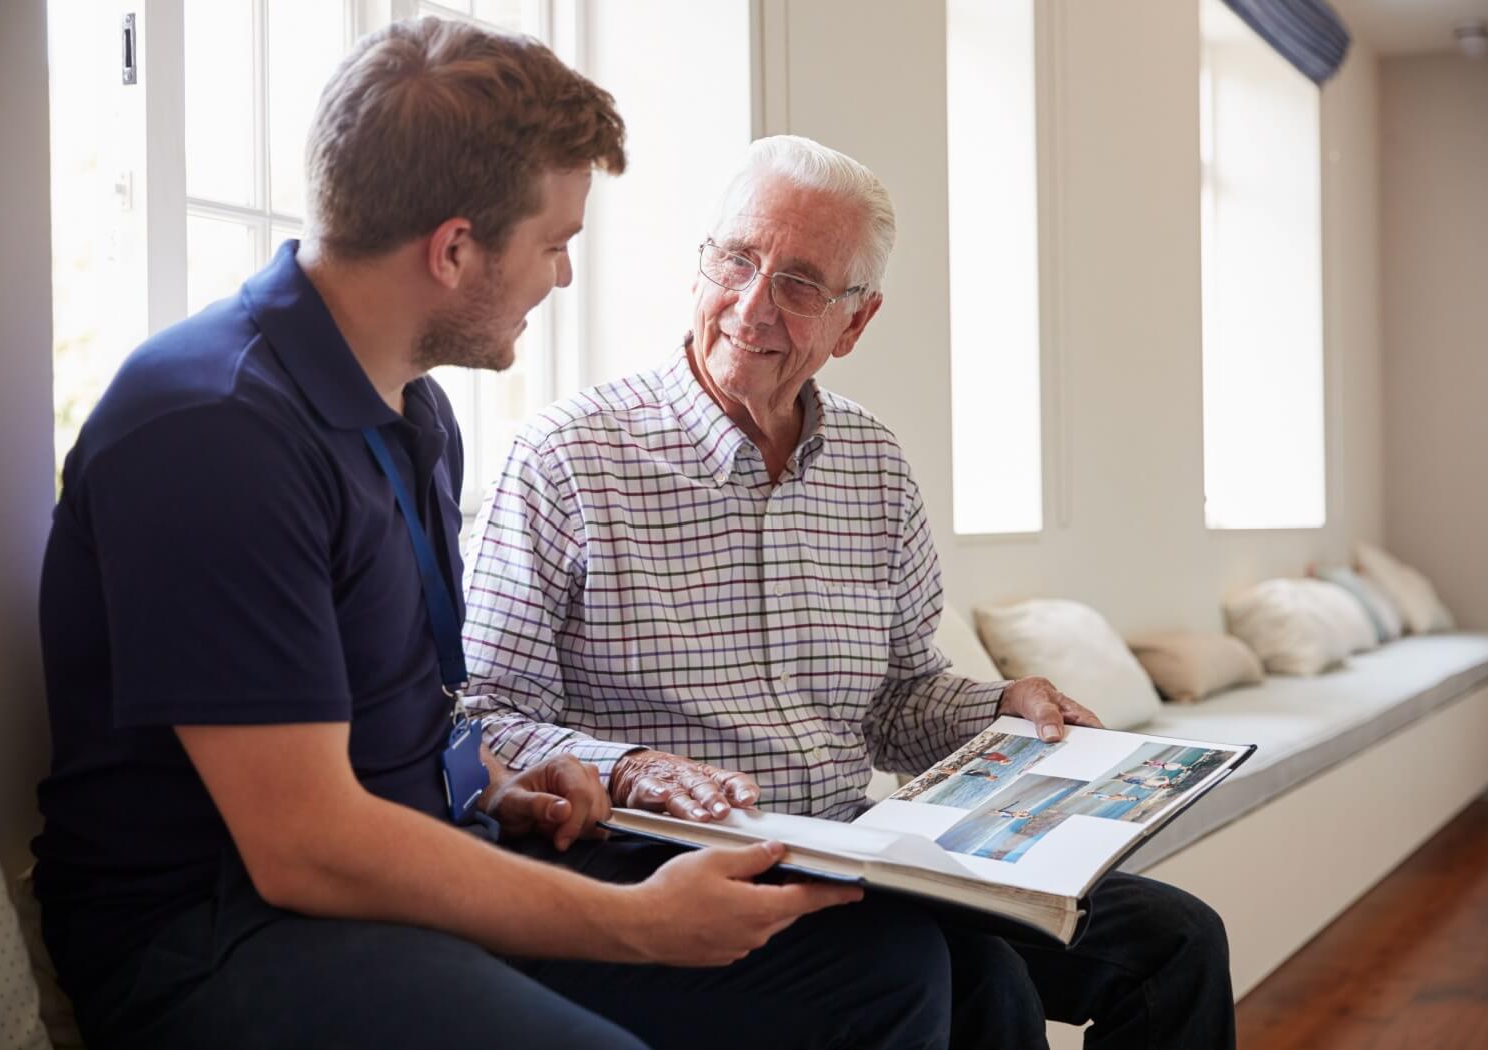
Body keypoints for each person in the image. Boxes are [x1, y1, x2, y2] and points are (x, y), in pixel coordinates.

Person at [32, 23, 961, 1050]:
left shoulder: (414, 418)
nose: (563, 277)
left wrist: (500, 784)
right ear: (456, 248)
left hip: (400, 874)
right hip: (221, 931)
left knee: (886, 975)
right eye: (555, 242)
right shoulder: (210, 427)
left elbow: (416, 713)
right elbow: (305, 849)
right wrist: (638, 925)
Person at [461, 133, 1237, 1049]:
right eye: (737, 260)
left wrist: (1003, 706)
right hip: (667, 861)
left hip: (864, 845)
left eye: (799, 284)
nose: (753, 305)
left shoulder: (873, 465)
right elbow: (484, 717)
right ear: (700, 264)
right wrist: (633, 767)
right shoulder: (564, 457)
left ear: (854, 324)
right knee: (983, 981)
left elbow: (901, 700)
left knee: (1180, 942)